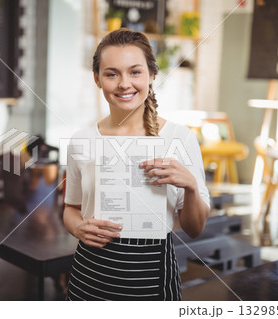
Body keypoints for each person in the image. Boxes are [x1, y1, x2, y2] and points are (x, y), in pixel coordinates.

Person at [63, 28, 210, 301]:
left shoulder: (180, 138)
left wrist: (190, 185)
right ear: (97, 78)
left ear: (152, 75)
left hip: (152, 279)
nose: (124, 84)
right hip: (89, 275)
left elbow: (195, 228)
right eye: (111, 73)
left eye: (135, 72)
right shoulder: (81, 140)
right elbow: (71, 207)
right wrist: (77, 228)